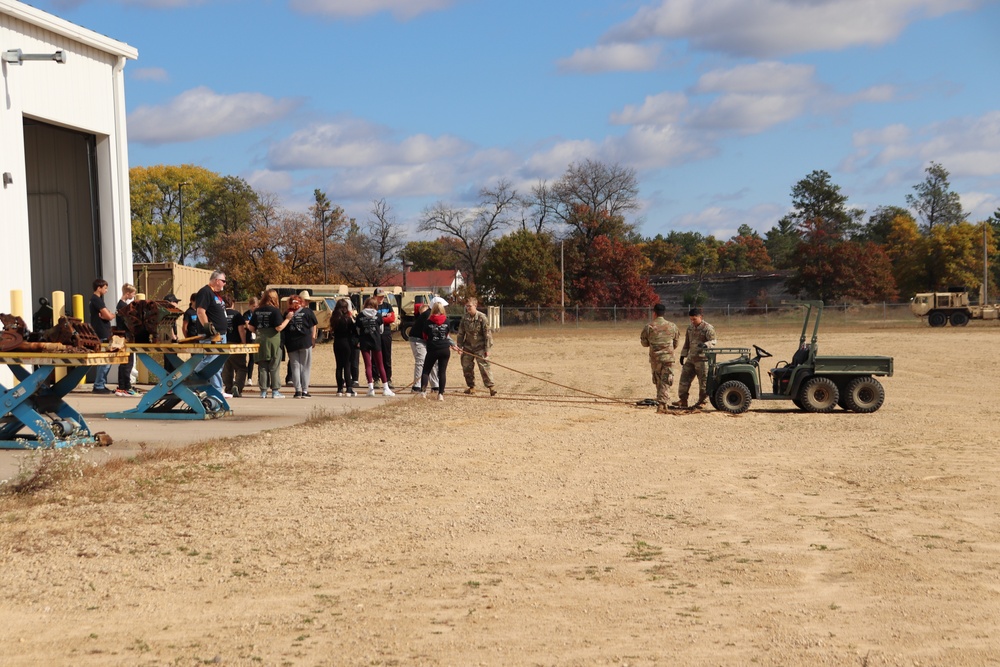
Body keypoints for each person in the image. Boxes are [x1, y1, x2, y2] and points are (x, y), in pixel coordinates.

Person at [247, 289, 291, 398]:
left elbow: (251, 328)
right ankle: (275, 391)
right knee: (274, 365)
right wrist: (288, 319)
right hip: (273, 340)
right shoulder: (275, 311)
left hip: (260, 339)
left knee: (262, 366)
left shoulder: (257, 311)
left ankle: (263, 391)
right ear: (274, 298)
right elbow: (279, 327)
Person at [673, 307, 717, 409]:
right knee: (684, 379)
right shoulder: (690, 328)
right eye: (691, 319)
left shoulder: (708, 328)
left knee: (703, 382)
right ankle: (683, 400)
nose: (692, 321)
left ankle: (702, 402)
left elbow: (714, 341)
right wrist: (683, 354)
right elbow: (687, 342)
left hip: (702, 360)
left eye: (694, 319)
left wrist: (706, 345)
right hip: (691, 358)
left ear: (700, 317)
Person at [194, 270, 230, 394]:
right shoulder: (205, 292)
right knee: (211, 360)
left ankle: (216, 389)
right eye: (223, 281)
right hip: (212, 335)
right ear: (216, 280)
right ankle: (191, 378)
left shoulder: (216, 295)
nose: (225, 284)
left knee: (218, 363)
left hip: (221, 334)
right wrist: (208, 329)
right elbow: (200, 311)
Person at [640, 303, 680, 414]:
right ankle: (663, 403)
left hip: (655, 358)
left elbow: (644, 343)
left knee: (658, 379)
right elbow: (676, 343)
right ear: (664, 313)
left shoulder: (649, 326)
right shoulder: (672, 326)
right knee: (666, 380)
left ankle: (662, 403)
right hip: (668, 358)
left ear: (654, 313)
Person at [457, 296, 496, 396]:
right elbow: (461, 333)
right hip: (468, 347)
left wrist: (487, 349)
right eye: (467, 306)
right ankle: (472, 387)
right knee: (467, 367)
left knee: (484, 367)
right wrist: (459, 346)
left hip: (480, 347)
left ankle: (491, 387)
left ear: (475, 305)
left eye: (470, 306)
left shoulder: (482, 317)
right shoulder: (464, 318)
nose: (468, 308)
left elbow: (487, 334)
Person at [356, 297, 394, 397]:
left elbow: (358, 330)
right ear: (375, 306)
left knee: (368, 365)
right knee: (380, 364)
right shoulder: (378, 315)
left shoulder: (360, 315)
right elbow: (381, 330)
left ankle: (370, 388)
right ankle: (386, 388)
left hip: (364, 341)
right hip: (376, 341)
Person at [284, 294, 318, 398]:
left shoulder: (286, 313)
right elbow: (314, 325)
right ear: (301, 302)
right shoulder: (307, 312)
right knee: (305, 366)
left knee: (295, 367)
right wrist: (313, 338)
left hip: (291, 343)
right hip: (305, 342)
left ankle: (297, 391)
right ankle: (305, 391)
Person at [419, 300, 452, 401]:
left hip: (433, 349)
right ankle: (441, 394)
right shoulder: (446, 321)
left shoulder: (428, 322)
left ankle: (423, 392)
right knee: (442, 372)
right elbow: (447, 334)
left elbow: (424, 336)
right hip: (445, 349)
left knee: (426, 371)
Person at [89, 278, 114, 394]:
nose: (107, 290)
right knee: (105, 360)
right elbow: (108, 316)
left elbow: (106, 314)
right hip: (102, 332)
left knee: (105, 360)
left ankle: (100, 384)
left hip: (100, 331)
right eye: (105, 288)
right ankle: (99, 385)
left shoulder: (95, 300)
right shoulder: (97, 300)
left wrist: (108, 314)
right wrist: (112, 315)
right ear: (99, 288)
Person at [408, 299, 440, 393]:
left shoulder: (435, 316)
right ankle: (416, 387)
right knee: (421, 361)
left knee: (433, 361)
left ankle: (435, 386)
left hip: (427, 340)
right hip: (417, 339)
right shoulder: (428, 315)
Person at [115, 283, 139, 396]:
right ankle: (126, 387)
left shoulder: (121, 305)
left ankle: (122, 386)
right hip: (125, 336)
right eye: (133, 294)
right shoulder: (122, 306)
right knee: (128, 362)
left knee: (124, 361)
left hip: (123, 335)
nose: (133, 296)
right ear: (127, 293)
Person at [329, 298, 357, 397]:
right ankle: (349, 388)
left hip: (337, 342)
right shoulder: (347, 319)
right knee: (347, 365)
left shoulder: (334, 318)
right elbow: (353, 330)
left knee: (339, 366)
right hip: (347, 342)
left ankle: (339, 389)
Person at [222, 294, 248, 397]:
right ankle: (237, 386)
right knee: (241, 367)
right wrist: (244, 342)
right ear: (233, 303)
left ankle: (228, 388)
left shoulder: (220, 314)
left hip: (223, 344)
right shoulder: (237, 314)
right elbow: (241, 330)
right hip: (235, 344)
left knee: (226, 368)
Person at [374, 287, 396, 389]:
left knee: (387, 357)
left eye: (382, 296)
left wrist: (380, 319)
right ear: (374, 297)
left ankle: (388, 379)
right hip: (374, 334)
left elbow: (392, 318)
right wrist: (383, 318)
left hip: (386, 334)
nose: (381, 299)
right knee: (375, 357)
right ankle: (376, 379)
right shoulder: (372, 307)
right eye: (379, 297)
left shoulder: (388, 306)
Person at [243, 296, 259, 386]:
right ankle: (249, 378)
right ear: (249, 306)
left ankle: (259, 379)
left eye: (256, 306)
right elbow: (247, 325)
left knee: (256, 359)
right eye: (253, 306)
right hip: (249, 337)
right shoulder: (246, 314)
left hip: (258, 337)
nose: (255, 308)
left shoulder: (259, 313)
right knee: (249, 358)